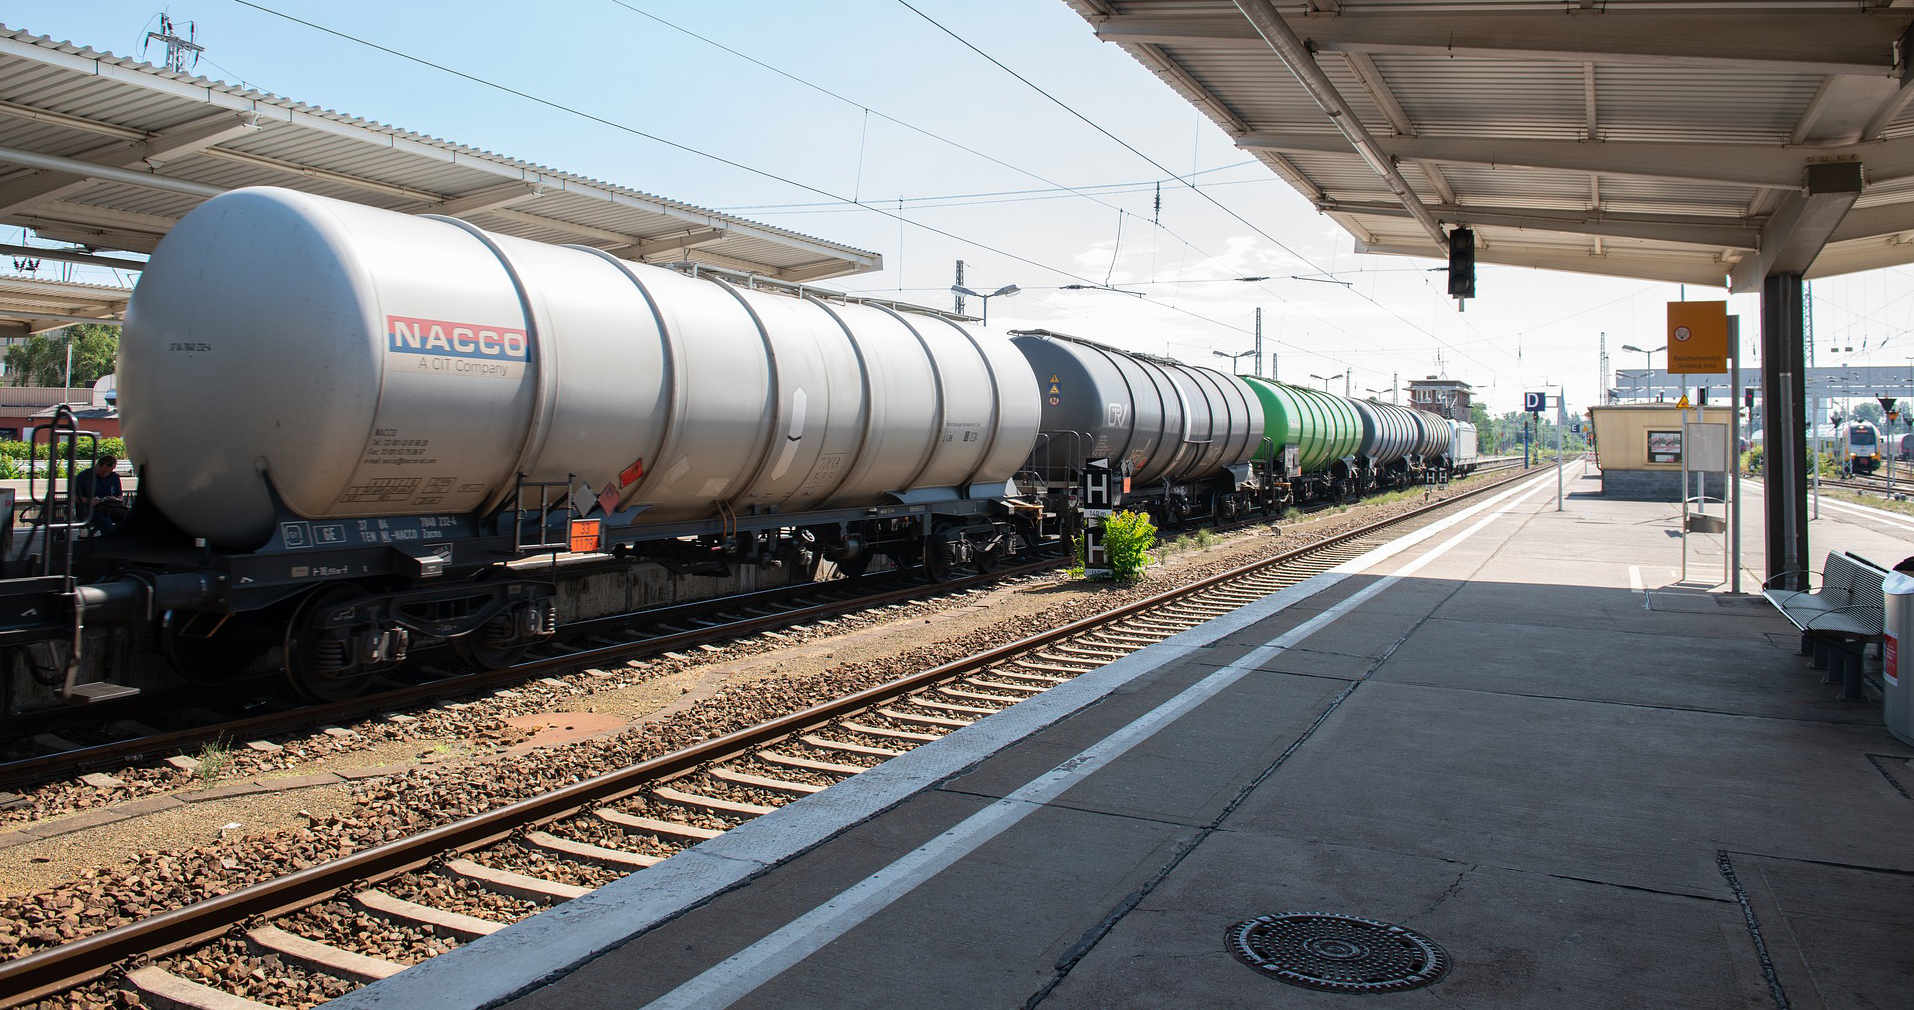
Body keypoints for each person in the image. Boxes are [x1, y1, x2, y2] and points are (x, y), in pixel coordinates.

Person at [73, 455, 127, 534]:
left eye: (109, 471)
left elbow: (119, 494)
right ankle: (109, 542)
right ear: (97, 465)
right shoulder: (83, 476)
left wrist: (117, 500)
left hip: (110, 508)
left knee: (128, 518)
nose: (105, 473)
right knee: (105, 522)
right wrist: (88, 501)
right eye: (103, 471)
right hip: (90, 510)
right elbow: (73, 497)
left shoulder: (114, 477)